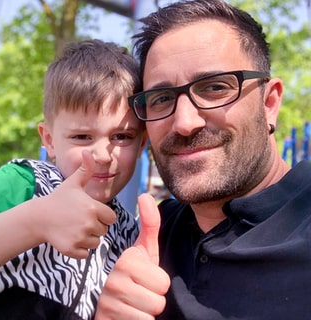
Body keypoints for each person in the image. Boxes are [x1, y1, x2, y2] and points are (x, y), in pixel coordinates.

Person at [95, 0, 311, 319]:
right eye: (161, 98)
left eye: (215, 88)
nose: (184, 122)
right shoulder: (148, 236)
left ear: (269, 103)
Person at [0, 39, 146, 319]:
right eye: (82, 137)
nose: (102, 154)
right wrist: (34, 221)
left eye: (121, 137)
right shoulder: (22, 183)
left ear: (142, 143)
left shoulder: (128, 233)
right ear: (49, 140)